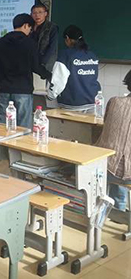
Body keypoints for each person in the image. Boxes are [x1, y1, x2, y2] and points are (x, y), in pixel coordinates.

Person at [0, 14, 51, 129]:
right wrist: (48, 75)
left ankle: (2, 141)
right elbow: (36, 67)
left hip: (4, 89)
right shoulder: (30, 43)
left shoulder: (1, 42)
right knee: (23, 126)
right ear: (26, 25)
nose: (30, 32)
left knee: (3, 125)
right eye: (30, 29)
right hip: (23, 90)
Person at [96, 70, 131, 211]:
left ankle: (114, 208)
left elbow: (106, 123)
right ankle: (120, 209)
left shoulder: (115, 101)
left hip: (103, 166)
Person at [47, 25, 101, 113]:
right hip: (93, 102)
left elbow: (59, 79)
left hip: (72, 104)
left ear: (67, 38)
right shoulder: (92, 55)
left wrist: (50, 96)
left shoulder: (65, 55)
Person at [30, 1, 59, 71]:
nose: (37, 15)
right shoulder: (29, 27)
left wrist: (42, 64)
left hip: (44, 64)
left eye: (40, 12)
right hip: (30, 62)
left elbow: (52, 48)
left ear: (45, 14)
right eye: (34, 13)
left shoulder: (52, 27)